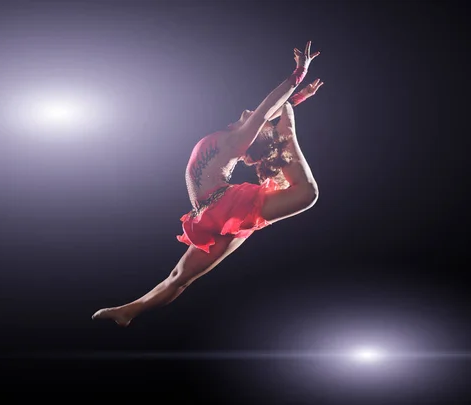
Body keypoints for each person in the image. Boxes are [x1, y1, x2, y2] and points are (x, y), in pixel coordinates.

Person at [92, 41, 322, 326]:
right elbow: (267, 113)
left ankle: (287, 134)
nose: (254, 111)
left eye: (261, 119)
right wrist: (299, 98)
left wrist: (298, 74)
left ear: (255, 135)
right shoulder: (233, 135)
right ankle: (128, 311)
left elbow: (266, 110)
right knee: (180, 278)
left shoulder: (235, 141)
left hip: (225, 205)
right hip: (213, 215)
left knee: (307, 193)